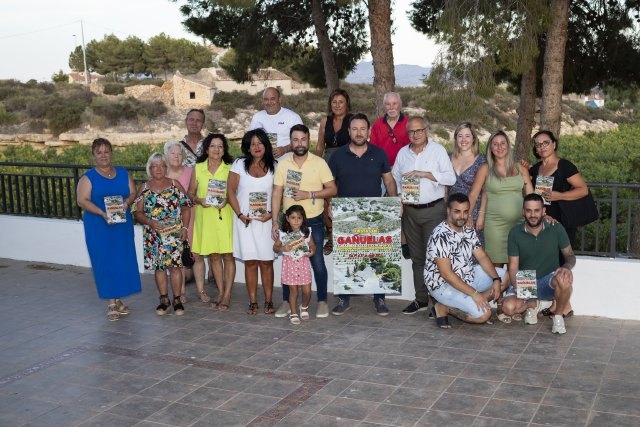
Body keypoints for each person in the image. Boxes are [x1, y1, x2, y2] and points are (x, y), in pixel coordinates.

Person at [328, 113, 398, 316]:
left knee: (377, 257)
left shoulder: (379, 153)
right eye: (354, 129)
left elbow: (389, 181)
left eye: (362, 129)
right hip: (347, 215)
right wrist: (329, 207)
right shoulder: (337, 156)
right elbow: (330, 185)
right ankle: (344, 299)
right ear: (348, 131)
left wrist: (394, 204)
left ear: (368, 131)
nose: (359, 133)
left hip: (374, 214)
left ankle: (380, 299)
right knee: (346, 258)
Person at [271, 124, 337, 318]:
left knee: (316, 262)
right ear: (291, 142)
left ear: (309, 140)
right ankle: (286, 302)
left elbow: (332, 189)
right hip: (289, 222)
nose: (299, 143)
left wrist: (309, 194)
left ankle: (322, 301)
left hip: (313, 221)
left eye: (303, 139)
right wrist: (275, 221)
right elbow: (276, 193)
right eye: (295, 140)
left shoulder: (319, 163)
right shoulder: (283, 164)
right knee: (289, 260)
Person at [392, 117, 456, 315]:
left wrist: (427, 174)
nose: (415, 135)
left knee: (435, 258)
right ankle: (420, 299)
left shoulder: (437, 151)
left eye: (419, 130)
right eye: (411, 132)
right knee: (417, 258)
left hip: (433, 210)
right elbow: (395, 178)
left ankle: (437, 301)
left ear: (426, 130)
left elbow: (451, 178)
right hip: (410, 212)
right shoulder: (403, 153)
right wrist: (399, 198)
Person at [76, 138, 141, 321]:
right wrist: (102, 213)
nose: (103, 155)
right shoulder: (88, 178)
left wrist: (126, 203)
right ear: (93, 156)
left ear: (111, 153)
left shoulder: (123, 173)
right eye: (99, 152)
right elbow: (82, 200)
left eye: (106, 151)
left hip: (121, 225)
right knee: (105, 262)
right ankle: (112, 303)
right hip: (99, 226)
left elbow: (133, 193)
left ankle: (117, 300)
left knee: (121, 261)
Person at [529, 130, 588, 317]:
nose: (541, 147)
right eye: (538, 144)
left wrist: (559, 195)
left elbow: (583, 189)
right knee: (550, 260)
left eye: (545, 143)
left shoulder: (565, 166)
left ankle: (562, 306)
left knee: (562, 260)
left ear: (554, 144)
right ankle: (560, 305)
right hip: (543, 223)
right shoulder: (536, 169)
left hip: (563, 222)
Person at [425, 193, 505, 328]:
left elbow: (482, 257)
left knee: (504, 276)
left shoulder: (467, 229)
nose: (462, 216)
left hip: (467, 276)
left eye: (465, 212)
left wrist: (496, 279)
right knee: (484, 315)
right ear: (448, 211)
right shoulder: (440, 236)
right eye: (457, 211)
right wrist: (474, 294)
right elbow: (446, 274)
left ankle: (474, 302)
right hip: (443, 286)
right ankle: (444, 307)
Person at [502, 194, 575, 334]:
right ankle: (537, 304)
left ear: (543, 211)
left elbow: (570, 256)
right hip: (526, 280)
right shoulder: (515, 232)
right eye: (528, 210)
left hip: (548, 279)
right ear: (523, 211)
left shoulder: (556, 228)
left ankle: (558, 316)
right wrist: (519, 289)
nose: (532, 215)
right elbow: (513, 266)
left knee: (564, 278)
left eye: (536, 210)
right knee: (509, 308)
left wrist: (566, 267)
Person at [133, 153, 192, 316]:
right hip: (153, 236)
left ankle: (177, 300)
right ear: (150, 168)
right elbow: (136, 213)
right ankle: (164, 300)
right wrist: (150, 222)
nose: (158, 169)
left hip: (174, 235)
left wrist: (185, 229)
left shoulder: (175, 184)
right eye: (155, 166)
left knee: (175, 267)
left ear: (166, 168)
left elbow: (187, 207)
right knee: (159, 268)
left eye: (161, 165)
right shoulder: (143, 188)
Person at [227, 129, 276, 315]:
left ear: (266, 145)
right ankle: (253, 301)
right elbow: (230, 191)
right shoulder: (239, 164)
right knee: (250, 263)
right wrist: (239, 214)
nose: (256, 147)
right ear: (247, 147)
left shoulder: (275, 165)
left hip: (266, 222)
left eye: (260, 143)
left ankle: (269, 301)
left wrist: (271, 214)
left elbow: (280, 194)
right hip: (245, 221)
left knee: (266, 262)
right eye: (252, 143)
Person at [468, 130, 534, 267]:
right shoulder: (485, 169)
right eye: (495, 144)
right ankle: (498, 289)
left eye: (502, 143)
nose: (499, 147)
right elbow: (474, 194)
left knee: (521, 266)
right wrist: (468, 215)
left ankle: (517, 290)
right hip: (495, 227)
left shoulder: (521, 168)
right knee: (496, 270)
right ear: (490, 148)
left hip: (520, 225)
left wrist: (536, 217)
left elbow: (531, 196)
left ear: (508, 146)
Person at [188, 133, 235, 311]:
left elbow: (236, 193)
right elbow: (191, 193)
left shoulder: (231, 168)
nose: (216, 149)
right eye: (213, 146)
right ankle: (221, 292)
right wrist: (200, 200)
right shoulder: (198, 168)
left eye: (220, 146)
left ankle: (228, 294)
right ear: (206, 149)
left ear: (224, 150)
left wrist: (228, 200)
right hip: (205, 217)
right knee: (214, 255)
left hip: (225, 215)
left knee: (228, 255)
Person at [314, 88, 353, 256]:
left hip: (348, 162)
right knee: (326, 201)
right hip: (327, 163)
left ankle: (347, 236)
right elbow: (320, 146)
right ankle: (331, 235)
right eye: (334, 102)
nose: (337, 105)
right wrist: (313, 166)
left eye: (341, 102)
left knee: (345, 199)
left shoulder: (353, 120)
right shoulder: (325, 121)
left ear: (347, 104)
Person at [273, 205, 316, 325]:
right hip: (290, 264)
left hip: (303, 263)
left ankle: (304, 307)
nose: (296, 221)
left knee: (307, 290)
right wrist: (283, 247)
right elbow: (275, 248)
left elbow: (313, 246)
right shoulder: (283, 234)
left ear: (303, 219)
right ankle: (293, 312)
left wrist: (311, 251)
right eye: (293, 218)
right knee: (293, 291)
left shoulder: (306, 232)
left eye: (299, 218)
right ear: (287, 218)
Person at [165, 141, 194, 303]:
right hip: (168, 221)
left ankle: (185, 291)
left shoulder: (190, 171)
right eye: (172, 153)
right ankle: (177, 291)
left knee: (187, 254)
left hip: (188, 217)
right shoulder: (161, 172)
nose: (176, 156)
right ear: (166, 156)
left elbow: (195, 192)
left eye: (179, 153)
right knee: (173, 256)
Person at [448, 122, 486, 226]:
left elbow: (479, 193)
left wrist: (467, 215)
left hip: (471, 214)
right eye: (460, 136)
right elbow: (444, 189)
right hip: (451, 213)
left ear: (473, 138)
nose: (463, 140)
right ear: (456, 138)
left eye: (467, 136)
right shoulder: (447, 157)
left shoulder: (482, 161)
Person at [249, 87, 303, 159]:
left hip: (288, 163)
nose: (269, 102)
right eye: (266, 99)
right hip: (264, 164)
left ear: (279, 99)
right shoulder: (257, 117)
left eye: (272, 99)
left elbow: (302, 142)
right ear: (262, 101)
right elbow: (249, 141)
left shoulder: (293, 117)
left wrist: (284, 149)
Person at [369, 92, 410, 167]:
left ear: (400, 104)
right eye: (388, 104)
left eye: (395, 103)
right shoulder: (377, 124)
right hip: (383, 168)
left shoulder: (409, 123)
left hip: (405, 167)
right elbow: (373, 148)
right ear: (384, 106)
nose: (391, 107)